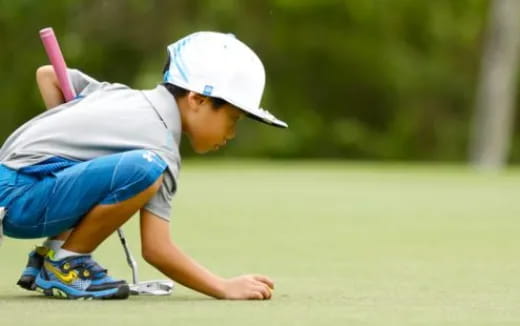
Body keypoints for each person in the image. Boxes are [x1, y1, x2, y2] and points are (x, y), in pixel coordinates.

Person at [0, 31, 287, 300]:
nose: (232, 133)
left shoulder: (115, 93)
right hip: (18, 202)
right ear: (197, 99)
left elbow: (48, 75)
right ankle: (65, 265)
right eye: (233, 119)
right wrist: (223, 287)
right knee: (145, 168)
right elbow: (156, 249)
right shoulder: (159, 147)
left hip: (15, 191)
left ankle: (49, 257)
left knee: (124, 167)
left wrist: (71, 136)